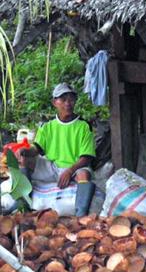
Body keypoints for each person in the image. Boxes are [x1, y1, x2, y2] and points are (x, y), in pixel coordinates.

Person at [17, 83, 96, 217]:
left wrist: (69, 171)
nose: (68, 103)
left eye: (71, 99)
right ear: (55, 102)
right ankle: (23, 206)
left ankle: (81, 215)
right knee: (26, 160)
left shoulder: (83, 126)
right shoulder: (48, 126)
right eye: (63, 99)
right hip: (53, 167)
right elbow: (36, 149)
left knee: (84, 174)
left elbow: (86, 157)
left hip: (74, 168)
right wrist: (24, 151)